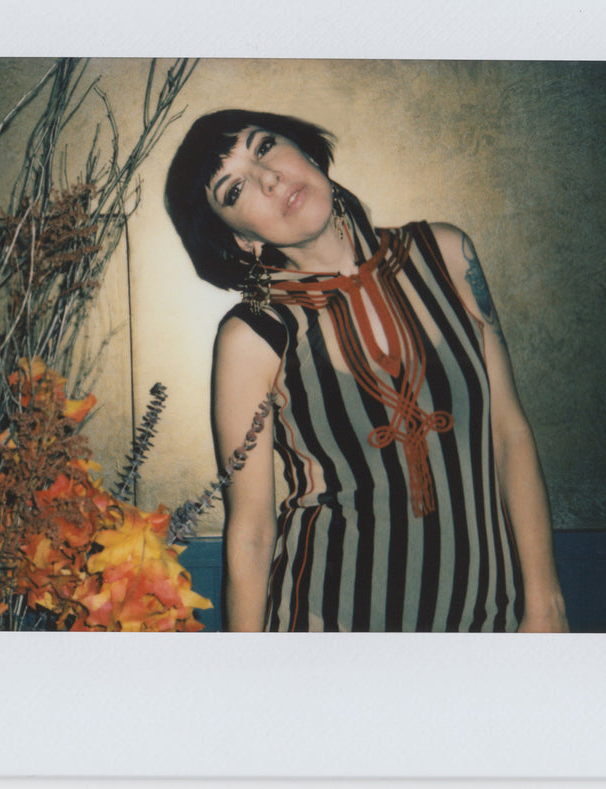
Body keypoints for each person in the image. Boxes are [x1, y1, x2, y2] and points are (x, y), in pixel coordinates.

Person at [165, 109, 569, 633]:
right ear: (240, 239)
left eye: (264, 147)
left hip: (490, 620)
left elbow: (509, 432)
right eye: (234, 189)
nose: (268, 178)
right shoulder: (253, 335)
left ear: (306, 151)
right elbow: (252, 529)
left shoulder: (447, 253)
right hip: (330, 630)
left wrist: (546, 601)